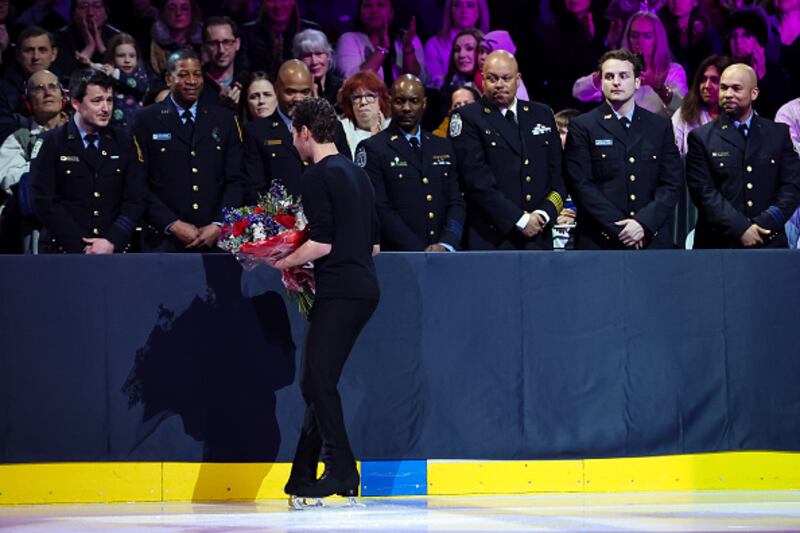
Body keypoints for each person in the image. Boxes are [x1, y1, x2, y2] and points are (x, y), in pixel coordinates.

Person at [273, 97, 380, 501]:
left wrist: (282, 261)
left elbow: (322, 242)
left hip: (341, 290)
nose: (292, 143)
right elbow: (373, 247)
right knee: (320, 383)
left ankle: (341, 470)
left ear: (305, 131)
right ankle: (302, 475)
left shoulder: (317, 175)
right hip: (363, 288)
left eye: (293, 134)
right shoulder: (358, 174)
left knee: (317, 381)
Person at [564, 49, 683, 250]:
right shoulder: (583, 126)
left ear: (637, 82)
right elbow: (581, 186)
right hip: (600, 240)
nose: (616, 82)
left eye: (623, 76)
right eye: (609, 77)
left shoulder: (659, 126)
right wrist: (621, 229)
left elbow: (671, 184)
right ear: (601, 82)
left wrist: (643, 224)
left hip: (649, 238)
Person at [449, 50, 566, 250]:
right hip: (493, 237)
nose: (500, 84)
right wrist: (520, 220)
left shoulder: (542, 114)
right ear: (483, 80)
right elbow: (476, 182)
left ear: (518, 80)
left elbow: (559, 176)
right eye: (493, 78)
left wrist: (544, 214)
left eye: (506, 78)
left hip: (539, 234)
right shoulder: (467, 117)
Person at [133, 49, 246, 252]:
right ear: (169, 79)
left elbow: (235, 181)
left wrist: (219, 224)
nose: (192, 81)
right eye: (184, 75)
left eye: (197, 74)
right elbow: (138, 184)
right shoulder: (146, 120)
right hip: (163, 240)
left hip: (215, 239)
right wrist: (172, 224)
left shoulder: (224, 120)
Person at [30, 69, 147, 254]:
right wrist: (81, 246)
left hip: (113, 251)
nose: (106, 108)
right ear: (76, 103)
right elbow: (43, 202)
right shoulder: (51, 143)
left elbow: (135, 199)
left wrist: (112, 241)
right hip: (63, 251)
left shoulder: (124, 142)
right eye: (97, 101)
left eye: (109, 100)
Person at [686, 63, 800, 248]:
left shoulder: (778, 134)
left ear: (754, 93)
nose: (728, 94)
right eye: (724, 88)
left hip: (768, 239)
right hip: (719, 244)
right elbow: (704, 193)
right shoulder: (701, 137)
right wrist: (741, 229)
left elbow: (792, 187)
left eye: (736, 88)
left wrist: (763, 225)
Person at [357, 74, 465, 250]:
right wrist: (420, 251)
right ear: (390, 102)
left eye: (414, 101)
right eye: (400, 101)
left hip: (443, 254)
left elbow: (456, 202)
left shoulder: (442, 146)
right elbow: (380, 208)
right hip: (400, 255)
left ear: (424, 103)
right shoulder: (373, 148)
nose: (406, 108)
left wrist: (447, 243)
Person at [242, 59, 349, 203]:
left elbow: (346, 177)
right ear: (276, 89)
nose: (298, 98)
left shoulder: (332, 127)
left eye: (305, 92)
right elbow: (254, 190)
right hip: (281, 215)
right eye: (290, 92)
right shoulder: (257, 132)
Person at [0, 69, 69, 253]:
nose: (47, 92)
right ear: (28, 102)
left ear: (63, 96)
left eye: (52, 86)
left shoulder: (82, 132)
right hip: (38, 222)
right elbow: (11, 180)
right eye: (39, 88)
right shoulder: (19, 139)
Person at [572, 11, 688, 117]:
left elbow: (684, 111)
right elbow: (578, 92)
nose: (640, 42)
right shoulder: (620, 70)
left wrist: (658, 86)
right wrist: (601, 75)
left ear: (657, 39)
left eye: (647, 36)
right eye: (635, 36)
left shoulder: (673, 71)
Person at [334, 0, 426, 87]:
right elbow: (353, 81)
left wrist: (407, 48)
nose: (373, 10)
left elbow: (417, 82)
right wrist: (382, 49)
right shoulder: (348, 39)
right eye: (367, 5)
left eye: (380, 4)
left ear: (392, 13)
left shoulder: (408, 37)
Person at [726, 7, 793, 119]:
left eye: (746, 35)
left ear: (758, 40)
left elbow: (776, 113)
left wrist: (762, 78)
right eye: (734, 36)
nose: (738, 41)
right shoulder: (724, 71)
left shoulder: (775, 74)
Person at [0, 27, 59, 143]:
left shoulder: (68, 85)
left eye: (42, 50)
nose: (36, 57)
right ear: (18, 55)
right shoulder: (3, 91)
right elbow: (5, 135)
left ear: (53, 54)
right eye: (28, 50)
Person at [240, 0, 319, 78]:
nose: (278, 6)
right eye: (271, 0)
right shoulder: (247, 33)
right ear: (263, 3)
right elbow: (243, 71)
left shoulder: (311, 30)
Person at [423, 0, 490, 90]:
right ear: (450, 10)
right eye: (457, 5)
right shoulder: (433, 44)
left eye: (470, 5)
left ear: (480, 10)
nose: (464, 10)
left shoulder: (489, 43)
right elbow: (432, 85)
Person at [672, 54, 728, 156]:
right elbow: (672, 153)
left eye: (714, 80)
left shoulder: (739, 115)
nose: (707, 86)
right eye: (703, 79)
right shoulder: (685, 111)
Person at [52, 0, 120, 82]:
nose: (90, 13)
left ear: (106, 12)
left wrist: (103, 50)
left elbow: (126, 75)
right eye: (83, 7)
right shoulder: (59, 38)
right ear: (73, 13)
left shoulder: (118, 37)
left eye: (97, 6)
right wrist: (89, 48)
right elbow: (63, 78)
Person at [337, 71, 391, 159]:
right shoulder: (342, 129)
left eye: (370, 96)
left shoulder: (393, 128)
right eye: (357, 97)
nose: (363, 102)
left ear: (381, 100)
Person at [201, 16, 249, 111]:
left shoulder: (248, 82)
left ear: (237, 44)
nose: (221, 50)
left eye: (227, 42)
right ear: (204, 46)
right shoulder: (197, 84)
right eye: (214, 43)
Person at [149, 0, 204, 76]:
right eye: (172, 8)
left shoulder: (204, 42)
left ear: (192, 12)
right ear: (163, 13)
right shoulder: (150, 43)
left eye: (184, 8)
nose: (178, 13)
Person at [292, 28, 343, 107]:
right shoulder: (292, 90)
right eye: (307, 56)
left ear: (328, 56)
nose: (314, 62)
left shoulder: (342, 87)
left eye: (319, 54)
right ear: (298, 60)